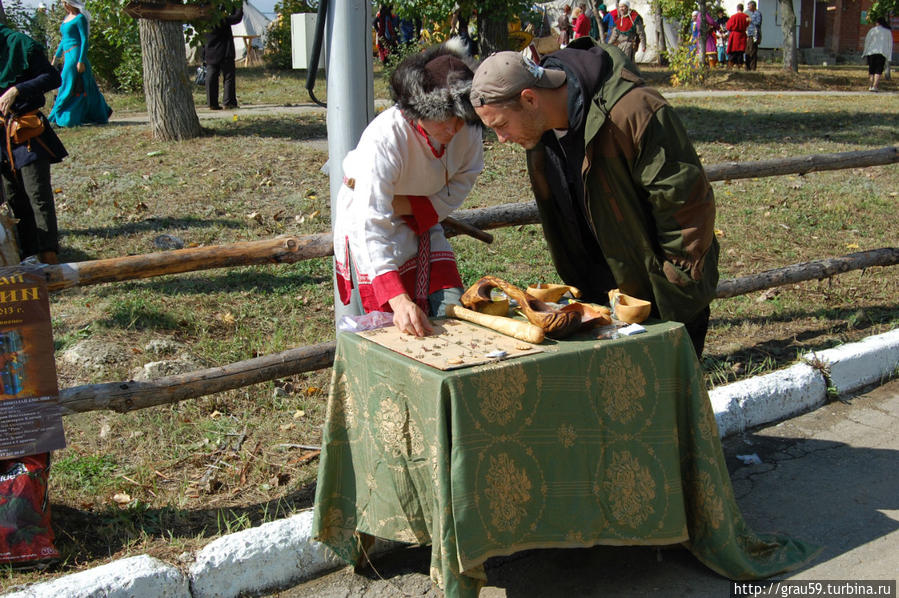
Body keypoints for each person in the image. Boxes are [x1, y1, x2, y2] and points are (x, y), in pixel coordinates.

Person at [469, 43, 719, 356]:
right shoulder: (539, 129)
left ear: (530, 98)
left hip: (662, 298)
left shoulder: (631, 111)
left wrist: (674, 289)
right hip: (601, 298)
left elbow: (686, 204)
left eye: (501, 126)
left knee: (670, 401)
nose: (501, 139)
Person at [333, 42, 484, 337]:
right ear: (418, 109)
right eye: (444, 117)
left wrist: (408, 206)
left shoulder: (466, 131)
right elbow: (369, 222)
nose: (454, 129)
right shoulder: (384, 139)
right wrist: (399, 300)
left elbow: (464, 179)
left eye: (460, 117)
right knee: (395, 324)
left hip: (424, 221)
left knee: (451, 308)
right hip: (373, 220)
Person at [0, 23, 68, 264]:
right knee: (14, 197)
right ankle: (29, 256)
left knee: (37, 194)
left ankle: (49, 258)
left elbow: (52, 77)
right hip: (1, 136)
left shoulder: (19, 44)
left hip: (27, 131)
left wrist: (17, 89)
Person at [47, 0, 111, 127]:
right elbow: (64, 39)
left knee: (66, 83)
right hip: (68, 53)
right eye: (63, 3)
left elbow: (84, 40)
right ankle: (97, 113)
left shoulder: (80, 18)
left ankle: (57, 115)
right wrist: (57, 56)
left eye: (66, 3)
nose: (65, 6)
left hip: (76, 55)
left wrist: (81, 60)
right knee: (85, 85)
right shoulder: (67, 18)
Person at [204, 3, 244, 110]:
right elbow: (237, 18)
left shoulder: (204, 16)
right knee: (228, 76)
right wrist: (238, 4)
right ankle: (229, 101)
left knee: (211, 74)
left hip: (209, 47)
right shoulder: (221, 19)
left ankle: (211, 103)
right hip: (225, 48)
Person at [862, 18, 892, 92]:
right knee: (878, 70)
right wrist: (889, 56)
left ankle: (870, 85)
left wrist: (864, 52)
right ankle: (875, 86)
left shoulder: (872, 30)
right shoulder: (888, 32)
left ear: (877, 23)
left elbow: (867, 41)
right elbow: (890, 44)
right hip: (882, 53)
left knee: (871, 69)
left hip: (871, 52)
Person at [726, 4, 749, 68]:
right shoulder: (746, 16)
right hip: (742, 35)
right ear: (743, 9)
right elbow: (748, 24)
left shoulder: (733, 17)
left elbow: (728, 27)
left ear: (737, 9)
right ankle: (740, 65)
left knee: (733, 51)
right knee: (740, 51)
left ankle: (731, 65)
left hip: (735, 35)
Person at [745, 1, 762, 71]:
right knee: (747, 51)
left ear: (753, 6)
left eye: (749, 6)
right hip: (749, 35)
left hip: (754, 35)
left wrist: (750, 20)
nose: (748, 7)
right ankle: (747, 67)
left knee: (753, 51)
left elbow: (758, 23)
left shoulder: (757, 13)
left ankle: (752, 68)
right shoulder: (752, 14)